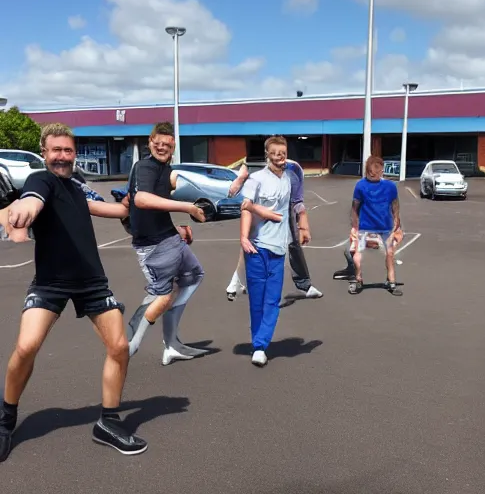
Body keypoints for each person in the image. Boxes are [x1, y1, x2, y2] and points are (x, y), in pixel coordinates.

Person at [0, 123, 148, 463]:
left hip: (91, 280)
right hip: (50, 281)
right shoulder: (42, 181)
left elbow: (115, 211)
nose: (62, 157)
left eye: (68, 151)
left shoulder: (78, 188)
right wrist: (23, 210)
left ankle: (108, 423)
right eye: (56, 151)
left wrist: (129, 207)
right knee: (26, 347)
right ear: (45, 154)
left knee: (119, 347)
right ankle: (5, 420)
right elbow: (32, 201)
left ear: (74, 154)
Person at [125, 122, 209, 365]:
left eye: (167, 144)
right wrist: (187, 207)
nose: (161, 147)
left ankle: (171, 344)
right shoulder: (145, 167)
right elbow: (140, 199)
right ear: (149, 142)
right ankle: (127, 348)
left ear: (173, 147)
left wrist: (178, 228)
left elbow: (134, 202)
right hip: (153, 247)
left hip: (170, 238)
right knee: (160, 295)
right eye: (157, 143)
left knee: (193, 276)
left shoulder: (164, 168)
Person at [226, 159, 322, 301]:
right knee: (252, 248)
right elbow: (232, 193)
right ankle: (236, 284)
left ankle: (304, 285)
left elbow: (297, 200)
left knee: (292, 245)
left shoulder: (293, 169)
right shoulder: (253, 169)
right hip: (259, 214)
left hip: (282, 214)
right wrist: (241, 177)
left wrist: (303, 225)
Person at [239, 136, 298, 367]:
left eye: (283, 152)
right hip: (257, 246)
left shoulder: (289, 179)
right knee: (257, 300)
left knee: (272, 300)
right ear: (267, 154)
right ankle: (258, 344)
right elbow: (245, 207)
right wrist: (244, 237)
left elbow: (290, 207)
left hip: (279, 247)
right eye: (275, 152)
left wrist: (301, 228)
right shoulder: (256, 179)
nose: (279, 156)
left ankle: (261, 345)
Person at [348, 155, 403, 296]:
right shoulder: (360, 186)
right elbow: (355, 207)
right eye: (372, 173)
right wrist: (354, 225)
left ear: (382, 171)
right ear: (367, 171)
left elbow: (395, 204)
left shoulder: (390, 186)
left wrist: (397, 220)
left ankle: (391, 282)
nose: (375, 176)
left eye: (378, 173)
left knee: (390, 253)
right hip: (365, 226)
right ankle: (358, 279)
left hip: (385, 226)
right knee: (357, 253)